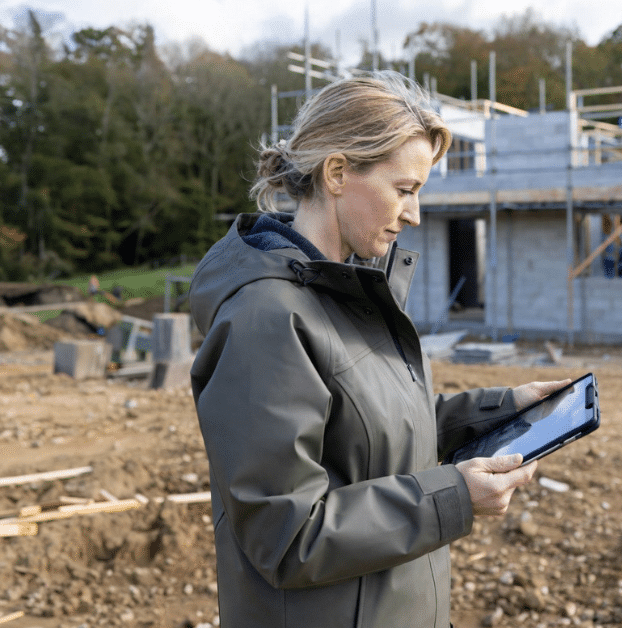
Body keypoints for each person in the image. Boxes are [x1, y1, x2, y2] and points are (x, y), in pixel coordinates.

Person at [189, 71, 567, 628]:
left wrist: (502, 409)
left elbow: (373, 432)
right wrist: (453, 498)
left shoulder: (349, 291)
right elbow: (287, 535)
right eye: (405, 189)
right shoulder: (266, 319)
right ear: (338, 173)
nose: (414, 215)